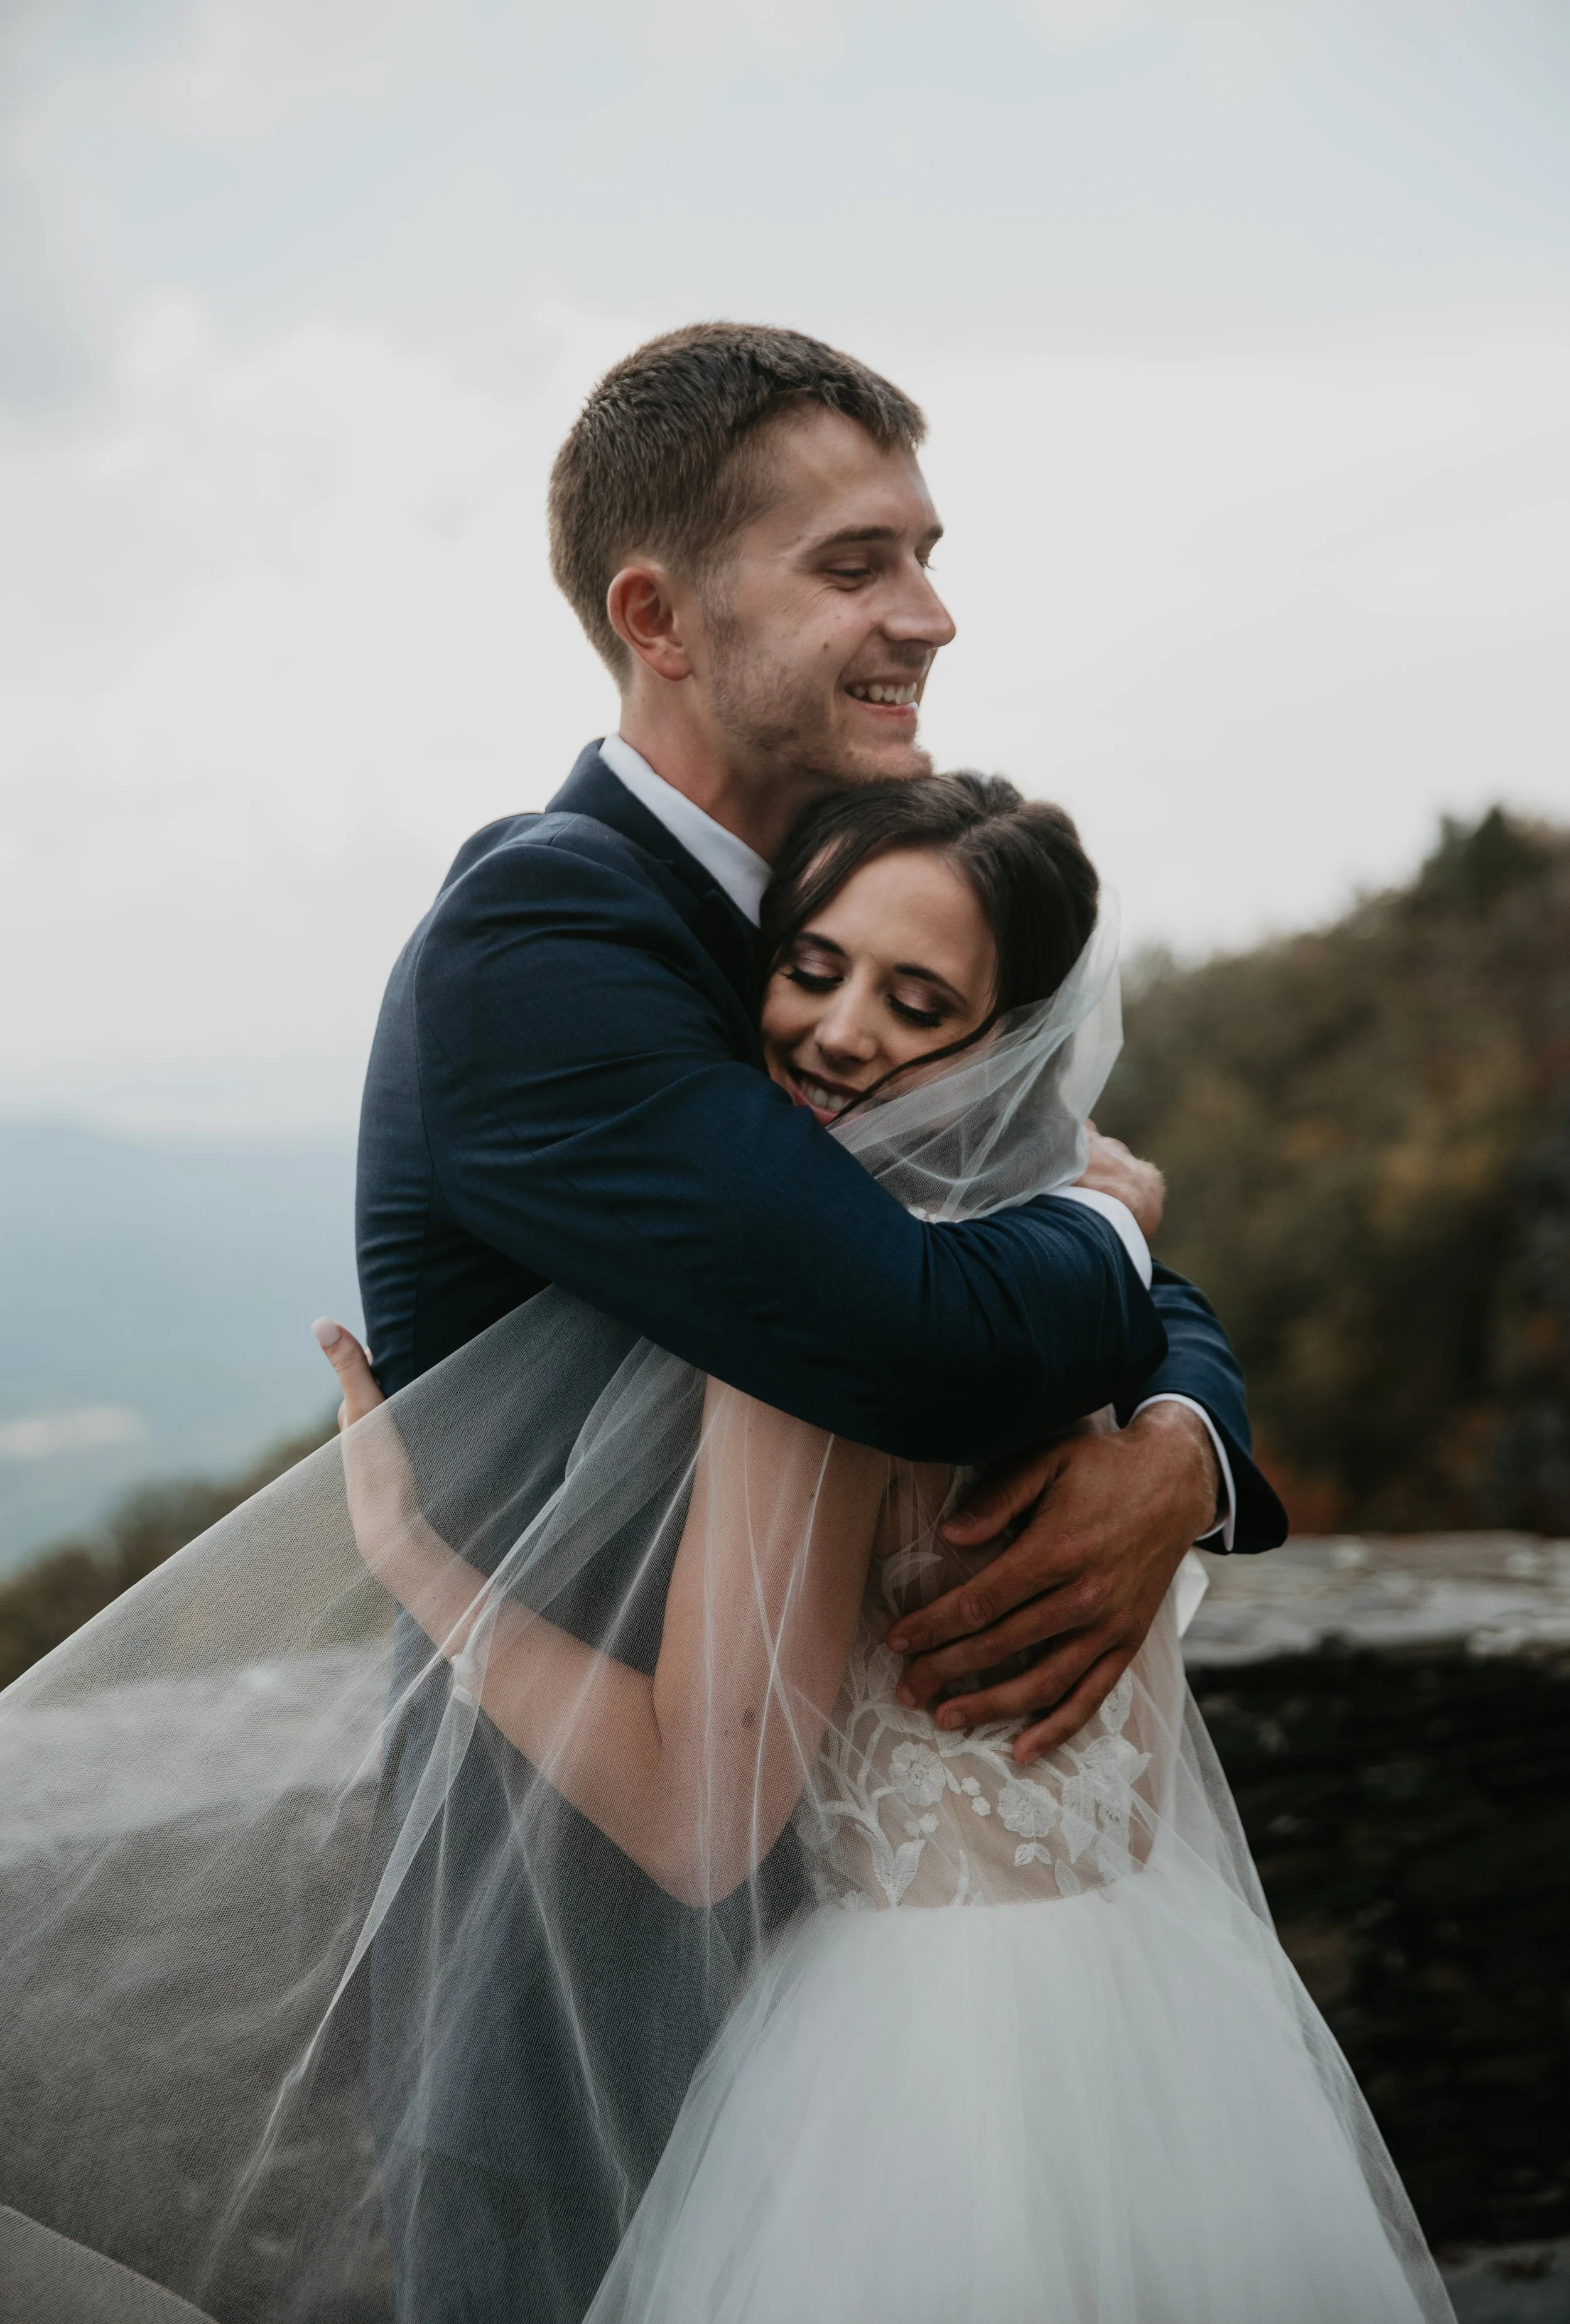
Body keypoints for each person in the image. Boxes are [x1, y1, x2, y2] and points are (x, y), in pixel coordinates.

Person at [353, 320, 1286, 2315]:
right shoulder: (548, 936)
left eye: (927, 554)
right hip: (589, 1990)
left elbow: (1048, 1242)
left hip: (896, 1951)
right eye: (857, 563)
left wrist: (1178, 1446)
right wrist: (1117, 1241)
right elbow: (920, 1329)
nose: (929, 614)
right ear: (657, 614)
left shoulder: (844, 920)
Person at [318, 773, 1450, 2324]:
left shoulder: (827, 1335)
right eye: (811, 966)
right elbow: (1136, 1276)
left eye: (916, 1000)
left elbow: (701, 1812)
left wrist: (411, 1554)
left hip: (924, 2074)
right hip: (1176, 2022)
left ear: (1013, 1039)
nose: (844, 1031)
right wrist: (1169, 1383)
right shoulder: (1072, 1256)